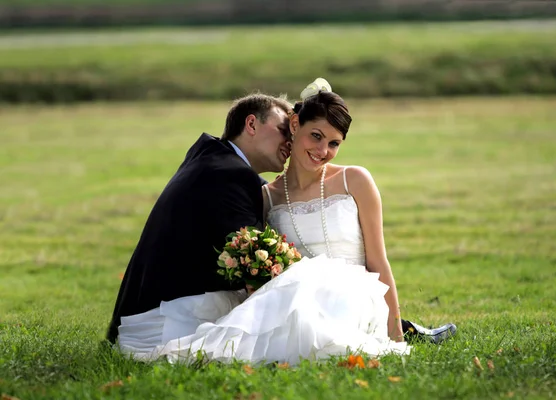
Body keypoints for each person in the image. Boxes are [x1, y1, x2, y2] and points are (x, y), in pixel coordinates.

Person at [111, 79, 456, 364]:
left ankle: (404, 328)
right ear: (290, 126)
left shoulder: (354, 180)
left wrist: (394, 331)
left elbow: (378, 261)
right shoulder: (258, 191)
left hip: (356, 295)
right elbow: (256, 268)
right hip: (296, 301)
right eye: (312, 136)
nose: (318, 150)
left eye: (334, 143)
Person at [107, 93, 294, 345]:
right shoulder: (231, 175)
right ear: (251, 124)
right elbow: (253, 269)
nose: (290, 143)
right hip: (165, 318)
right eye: (284, 131)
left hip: (144, 303)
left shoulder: (212, 157)